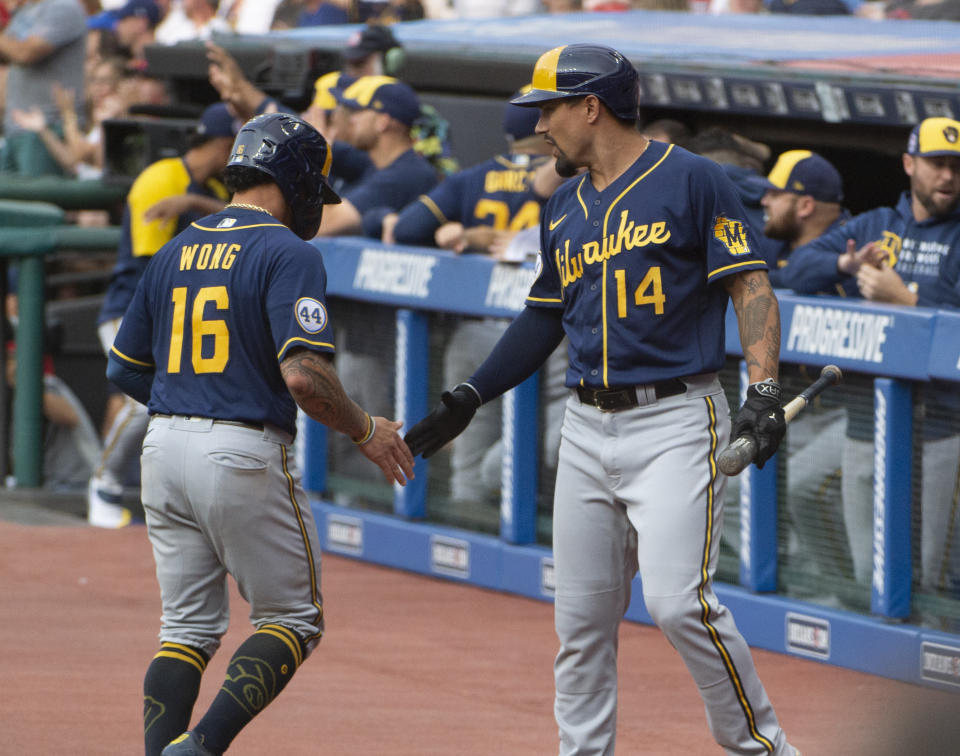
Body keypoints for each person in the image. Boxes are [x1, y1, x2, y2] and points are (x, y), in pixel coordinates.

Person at [404, 43, 798, 756]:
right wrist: (471, 393)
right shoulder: (562, 204)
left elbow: (750, 285)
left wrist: (763, 388)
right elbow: (543, 315)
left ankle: (764, 748)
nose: (539, 125)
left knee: (681, 605)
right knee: (580, 623)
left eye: (549, 108)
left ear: (592, 107)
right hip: (586, 425)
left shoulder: (694, 179)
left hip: (677, 417)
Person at [105, 111, 413, 756]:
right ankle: (200, 748)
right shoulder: (287, 250)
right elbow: (303, 377)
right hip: (240, 448)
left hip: (162, 444)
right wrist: (365, 430)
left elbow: (124, 368)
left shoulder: (177, 246)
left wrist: (186, 401)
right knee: (292, 621)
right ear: (296, 180)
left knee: (185, 629)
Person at [782, 116, 960, 599]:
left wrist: (905, 301)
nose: (947, 176)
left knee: (926, 579)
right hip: (866, 421)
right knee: (870, 571)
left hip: (941, 429)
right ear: (909, 163)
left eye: (955, 167)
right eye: (936, 164)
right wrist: (848, 262)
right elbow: (796, 269)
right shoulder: (874, 225)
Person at [383, 90, 563, 509]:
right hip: (546, 332)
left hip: (479, 331)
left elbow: (406, 230)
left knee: (471, 459)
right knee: (546, 449)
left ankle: (466, 525)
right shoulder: (573, 176)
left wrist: (457, 235)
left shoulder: (474, 177)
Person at [87, 102, 237, 528]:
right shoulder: (161, 177)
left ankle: (177, 497)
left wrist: (193, 201)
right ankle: (102, 484)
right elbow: (156, 270)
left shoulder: (206, 189)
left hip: (179, 318)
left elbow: (245, 225)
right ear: (224, 144)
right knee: (144, 402)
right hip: (129, 310)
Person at [752, 149, 854, 591]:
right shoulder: (777, 242)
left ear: (805, 205)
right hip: (802, 406)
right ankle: (799, 579)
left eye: (775, 194)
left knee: (802, 482)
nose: (764, 202)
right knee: (738, 482)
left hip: (851, 409)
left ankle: (834, 592)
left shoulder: (853, 246)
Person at [0, 0, 87, 177]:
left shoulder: (64, 7)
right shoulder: (26, 10)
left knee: (37, 199)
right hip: (15, 126)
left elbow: (25, 53)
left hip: (48, 128)